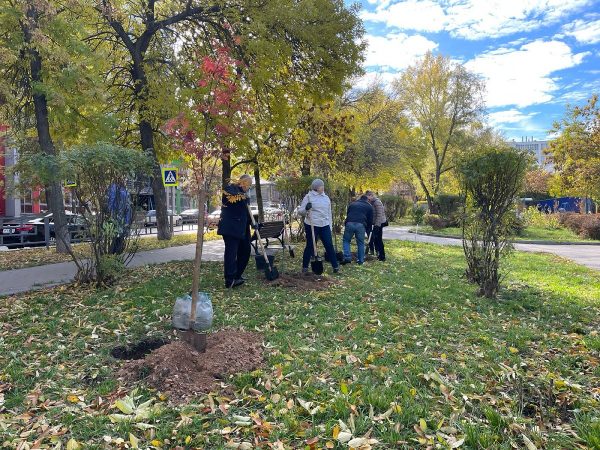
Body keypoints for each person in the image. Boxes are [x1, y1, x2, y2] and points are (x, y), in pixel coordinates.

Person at [217, 174, 254, 288]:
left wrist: (254, 223)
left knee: (246, 251)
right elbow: (229, 197)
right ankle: (230, 280)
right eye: (248, 184)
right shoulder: (231, 188)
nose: (249, 187)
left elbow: (245, 213)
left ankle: (237, 275)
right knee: (231, 254)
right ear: (243, 182)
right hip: (231, 228)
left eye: (250, 185)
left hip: (242, 228)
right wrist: (242, 194)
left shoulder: (245, 195)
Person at [297, 178, 339, 274]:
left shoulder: (326, 198)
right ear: (316, 187)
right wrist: (306, 209)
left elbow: (329, 213)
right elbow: (300, 212)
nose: (323, 188)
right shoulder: (308, 197)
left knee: (329, 245)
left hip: (324, 225)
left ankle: (335, 266)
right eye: (321, 186)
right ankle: (305, 267)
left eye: (323, 186)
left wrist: (330, 226)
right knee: (310, 246)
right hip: (312, 224)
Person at [342, 194, 373, 265]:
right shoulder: (369, 206)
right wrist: (369, 229)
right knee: (360, 243)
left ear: (359, 199)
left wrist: (346, 223)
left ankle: (347, 257)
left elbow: (348, 214)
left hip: (350, 223)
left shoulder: (352, 204)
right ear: (367, 200)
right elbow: (370, 220)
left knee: (346, 240)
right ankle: (360, 260)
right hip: (361, 225)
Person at [366, 191, 387, 261]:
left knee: (379, 239)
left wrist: (377, 225)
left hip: (379, 223)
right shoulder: (371, 202)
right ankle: (378, 254)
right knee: (375, 239)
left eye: (368, 198)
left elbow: (379, 214)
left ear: (371, 195)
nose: (368, 200)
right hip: (375, 223)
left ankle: (382, 256)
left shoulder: (377, 202)